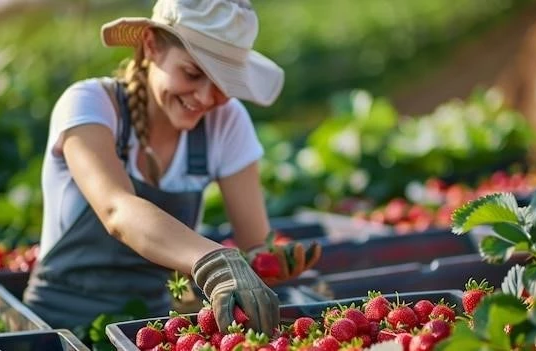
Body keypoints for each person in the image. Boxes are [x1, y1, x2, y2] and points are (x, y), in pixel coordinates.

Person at [23, 0, 321, 336]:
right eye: (193, 73)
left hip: (149, 329)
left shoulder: (226, 123)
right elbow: (117, 209)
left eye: (224, 84)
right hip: (54, 326)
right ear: (151, 46)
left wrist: (266, 261)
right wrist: (214, 259)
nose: (207, 98)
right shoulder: (90, 104)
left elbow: (255, 241)